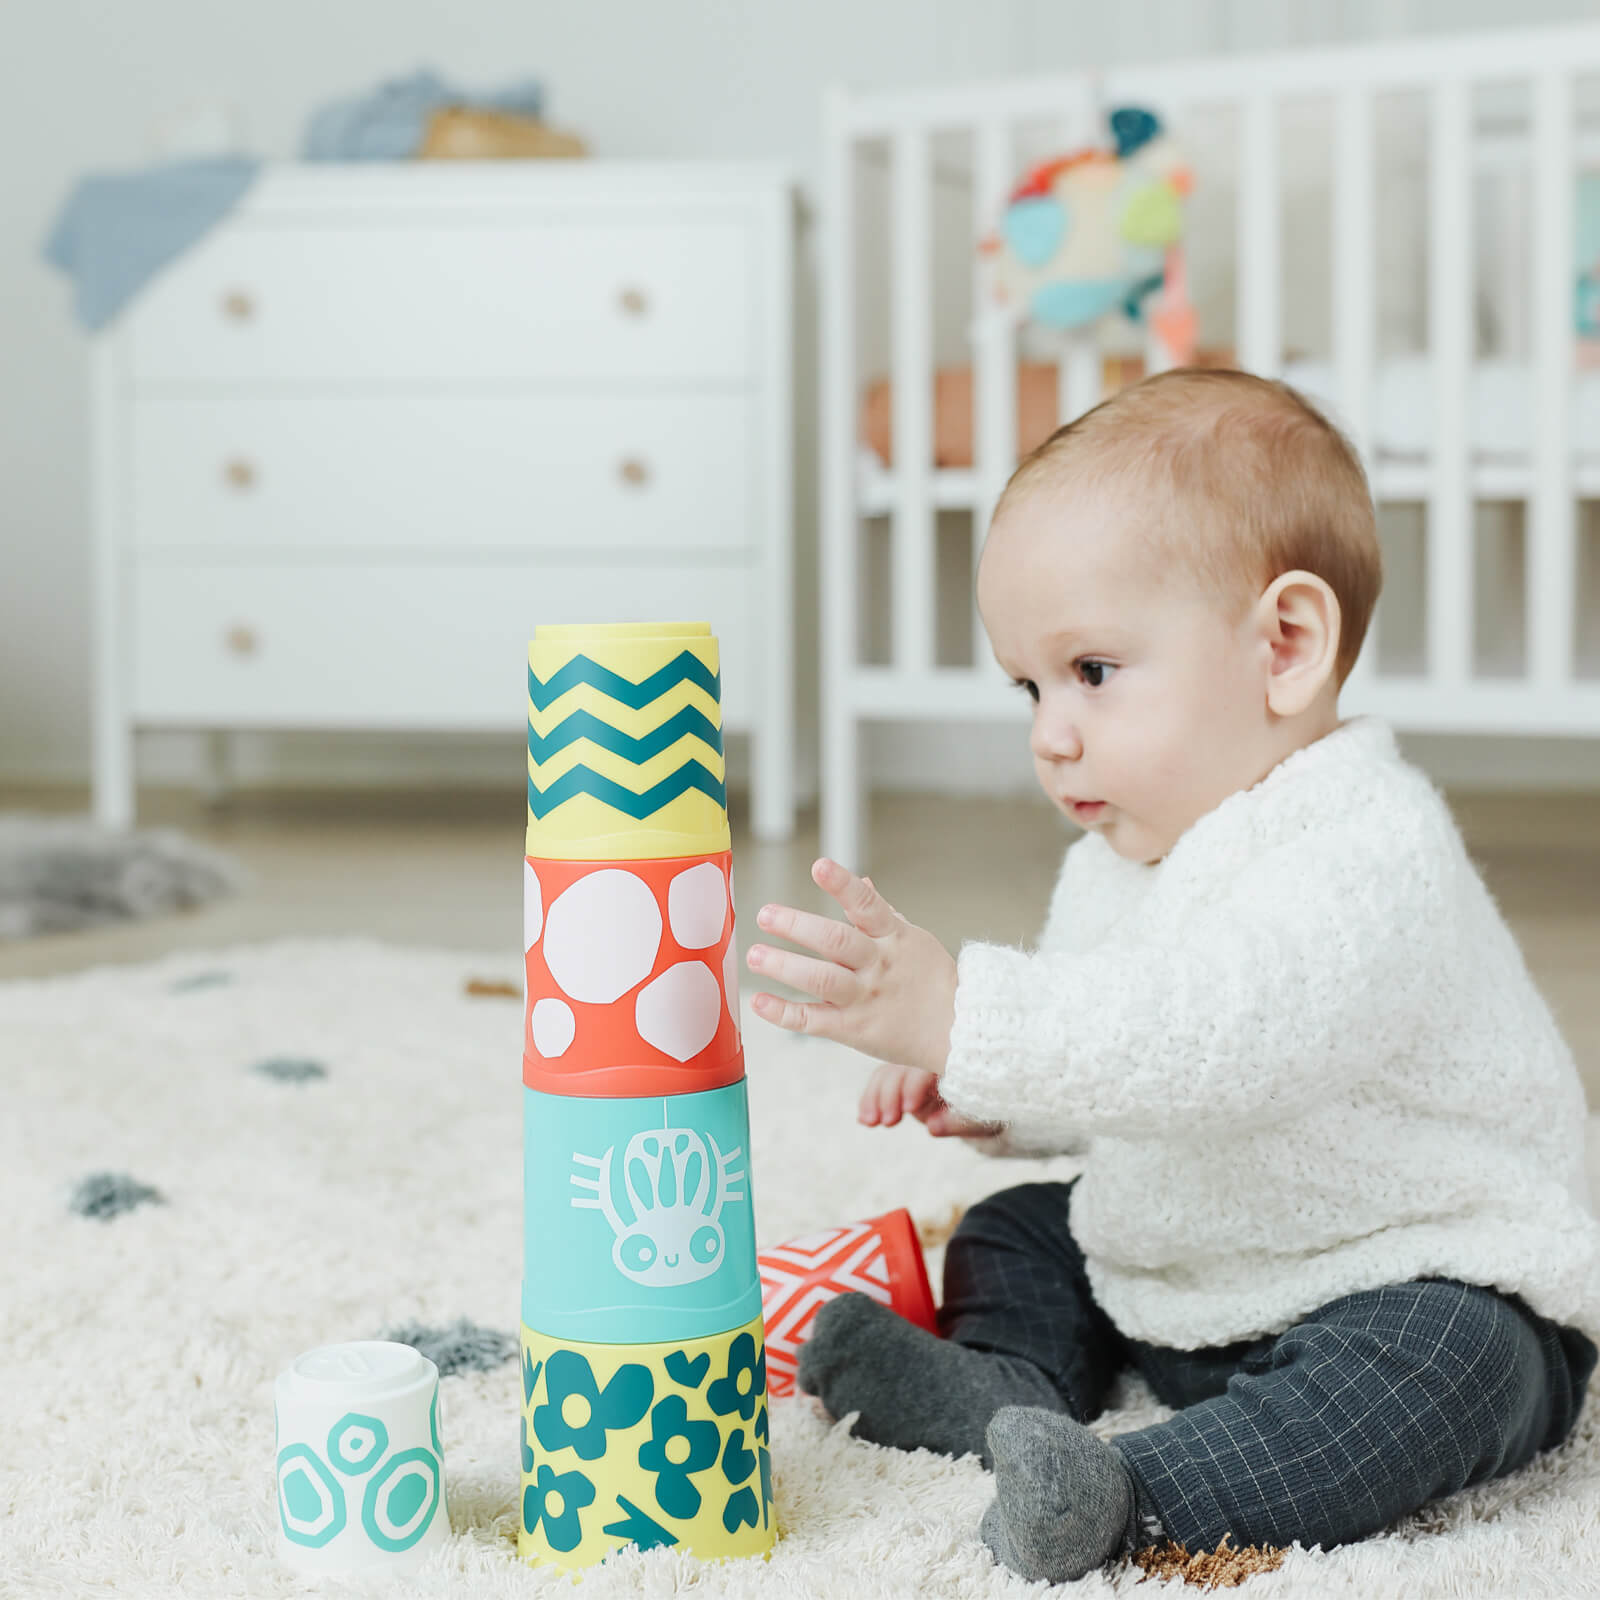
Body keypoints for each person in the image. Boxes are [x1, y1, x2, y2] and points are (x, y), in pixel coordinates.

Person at [743, 369, 1600, 1582]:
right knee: (1021, 1227)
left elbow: (1216, 1039)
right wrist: (998, 1089)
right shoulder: (1118, 856)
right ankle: (1010, 1385)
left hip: (1400, 1265)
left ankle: (1138, 1493)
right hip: (1200, 1259)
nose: (1048, 730)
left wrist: (966, 1006)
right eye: (1028, 685)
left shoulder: (1368, 850)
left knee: (1459, 1365)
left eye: (1091, 671)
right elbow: (1115, 1045)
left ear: (1286, 648)